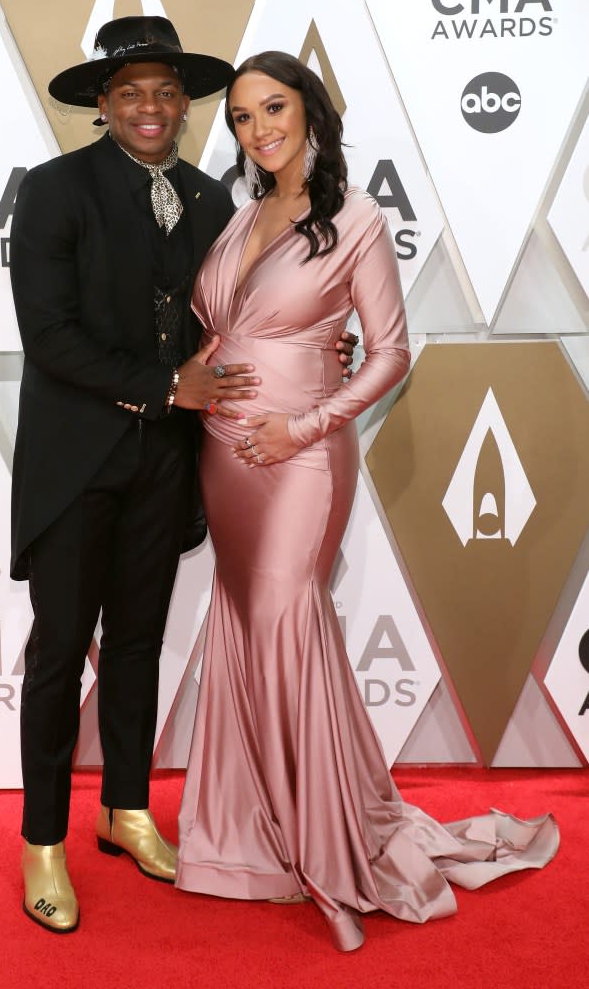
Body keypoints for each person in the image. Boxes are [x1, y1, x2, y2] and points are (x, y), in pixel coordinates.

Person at [174, 52, 559, 952]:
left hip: (299, 460)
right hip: (222, 459)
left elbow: (389, 352)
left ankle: (325, 847)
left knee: (285, 619)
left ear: (310, 113)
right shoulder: (236, 222)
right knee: (244, 622)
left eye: (273, 108)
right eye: (238, 117)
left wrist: (302, 425)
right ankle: (256, 840)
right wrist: (188, 375)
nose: (256, 129)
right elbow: (218, 329)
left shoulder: (355, 218)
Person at [9, 18, 357, 933]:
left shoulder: (214, 202)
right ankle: (43, 840)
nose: (152, 107)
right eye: (130, 92)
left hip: (168, 467)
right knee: (57, 656)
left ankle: (127, 812)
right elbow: (47, 337)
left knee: (134, 645)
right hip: (74, 464)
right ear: (101, 103)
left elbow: (247, 317)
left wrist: (317, 347)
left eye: (167, 90)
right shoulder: (51, 192)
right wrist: (167, 383)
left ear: (186, 101)